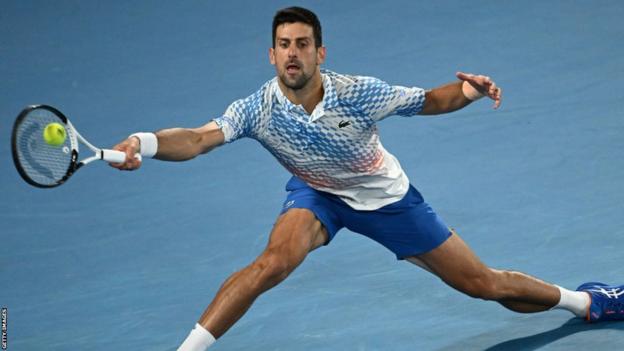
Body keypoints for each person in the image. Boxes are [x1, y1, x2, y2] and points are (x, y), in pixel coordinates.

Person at [111, 6, 623, 350]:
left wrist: (467, 92)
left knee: (483, 285)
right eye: (283, 45)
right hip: (318, 195)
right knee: (271, 263)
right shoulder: (256, 109)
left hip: (388, 202)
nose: (292, 53)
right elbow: (198, 139)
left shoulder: (357, 92)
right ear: (271, 55)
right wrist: (144, 142)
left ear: (320, 53)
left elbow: (429, 100)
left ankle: (587, 300)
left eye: (303, 44)